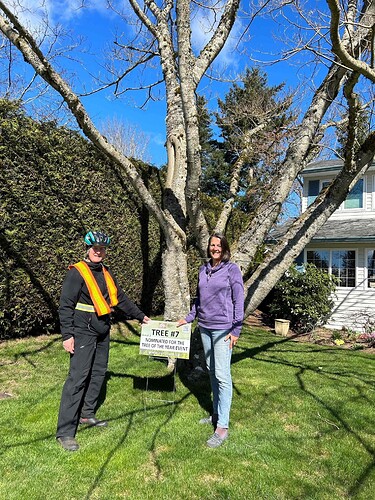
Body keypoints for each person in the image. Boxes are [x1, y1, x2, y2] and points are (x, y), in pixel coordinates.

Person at [56, 230, 150, 452]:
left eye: (102, 249)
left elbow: (121, 299)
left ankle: (87, 414)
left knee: (98, 373)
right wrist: (67, 335)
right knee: (77, 378)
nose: (99, 251)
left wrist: (141, 316)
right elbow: (65, 306)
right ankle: (65, 432)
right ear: (88, 249)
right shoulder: (77, 273)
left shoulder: (106, 272)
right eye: (95, 248)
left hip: (102, 328)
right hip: (82, 330)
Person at [178, 232, 244, 448]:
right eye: (211, 245)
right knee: (213, 372)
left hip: (223, 330)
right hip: (205, 327)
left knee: (223, 376)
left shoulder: (231, 269)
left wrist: (236, 329)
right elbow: (199, 299)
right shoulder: (204, 269)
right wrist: (189, 318)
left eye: (218, 245)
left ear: (224, 248)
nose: (214, 248)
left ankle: (222, 427)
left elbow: (238, 299)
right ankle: (216, 414)